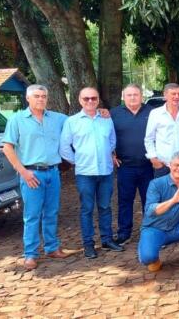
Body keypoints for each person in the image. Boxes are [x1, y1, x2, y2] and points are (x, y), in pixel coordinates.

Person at [2, 84, 72, 270]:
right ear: (28, 98)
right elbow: (7, 147)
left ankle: (52, 247)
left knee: (51, 212)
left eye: (43, 96)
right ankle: (30, 254)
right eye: (37, 96)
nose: (41, 99)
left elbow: (80, 121)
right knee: (32, 216)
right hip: (31, 174)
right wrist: (23, 172)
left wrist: (103, 112)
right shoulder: (17, 120)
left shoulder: (57, 119)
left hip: (53, 173)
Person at [59, 87, 123, 258]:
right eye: (86, 98)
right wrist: (77, 161)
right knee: (87, 209)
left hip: (105, 172)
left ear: (98, 99)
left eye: (93, 98)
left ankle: (107, 239)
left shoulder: (105, 119)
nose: (90, 101)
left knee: (105, 207)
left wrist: (108, 154)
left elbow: (112, 141)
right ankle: (88, 244)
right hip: (85, 173)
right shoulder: (72, 122)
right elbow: (64, 148)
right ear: (80, 100)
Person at [110, 84, 153, 246]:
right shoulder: (113, 114)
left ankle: (150, 231)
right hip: (125, 166)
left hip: (148, 165)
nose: (133, 97)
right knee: (125, 201)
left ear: (141, 96)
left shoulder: (152, 112)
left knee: (149, 201)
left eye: (136, 94)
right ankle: (124, 233)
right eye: (129, 95)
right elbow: (106, 136)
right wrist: (111, 154)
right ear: (123, 96)